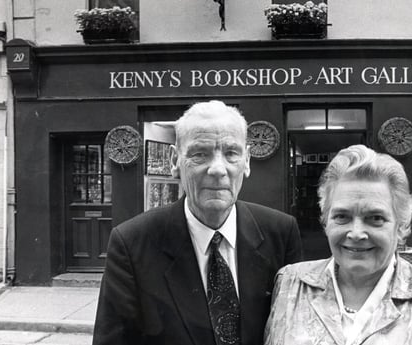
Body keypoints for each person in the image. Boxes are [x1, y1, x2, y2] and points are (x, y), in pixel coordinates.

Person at [93, 100, 303, 345]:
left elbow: (295, 333)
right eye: (200, 154)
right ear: (174, 161)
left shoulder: (281, 232)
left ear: (246, 161)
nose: (217, 169)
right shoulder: (131, 243)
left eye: (231, 153)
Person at [264, 144, 412, 345]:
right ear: (325, 221)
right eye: (342, 216)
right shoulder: (290, 284)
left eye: (376, 218)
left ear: (401, 226)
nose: (357, 233)